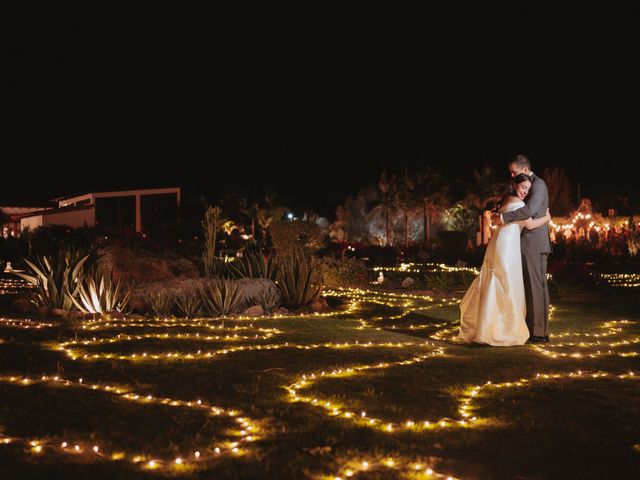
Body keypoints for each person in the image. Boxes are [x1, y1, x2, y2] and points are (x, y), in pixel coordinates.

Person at [459, 173, 551, 346]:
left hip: (499, 243)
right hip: (508, 246)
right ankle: (502, 329)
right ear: (515, 185)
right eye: (523, 187)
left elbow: (496, 221)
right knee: (506, 283)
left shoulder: (505, 199)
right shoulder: (519, 204)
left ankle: (489, 325)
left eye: (528, 189)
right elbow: (530, 224)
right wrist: (547, 217)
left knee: (497, 280)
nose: (525, 191)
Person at [491, 154, 552, 343]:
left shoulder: (538, 184)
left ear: (525, 169)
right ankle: (531, 327)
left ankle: (539, 332)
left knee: (536, 288)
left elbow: (529, 211)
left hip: (533, 243)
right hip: (523, 242)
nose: (511, 175)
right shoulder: (520, 187)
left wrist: (502, 219)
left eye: (514, 172)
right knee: (529, 287)